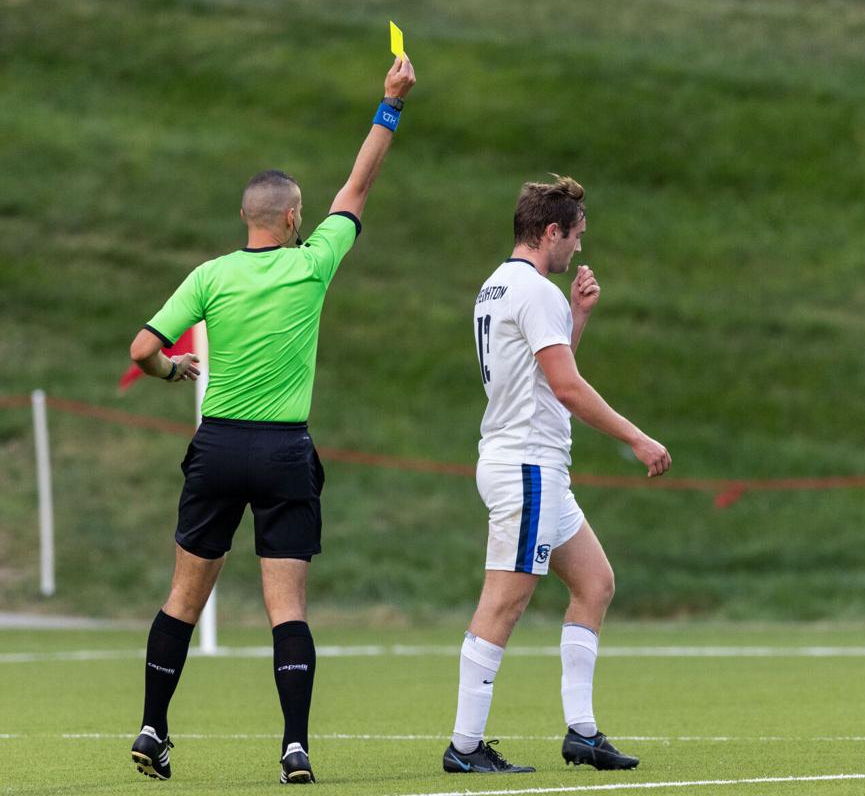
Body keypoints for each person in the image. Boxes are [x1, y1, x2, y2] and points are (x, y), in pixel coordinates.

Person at [126, 55, 415, 785]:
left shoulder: (210, 275)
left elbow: (141, 348)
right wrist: (390, 104)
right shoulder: (312, 262)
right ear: (291, 219)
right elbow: (359, 185)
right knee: (286, 605)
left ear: (246, 219)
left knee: (183, 598)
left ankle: (153, 728)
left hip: (217, 444)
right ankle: (294, 747)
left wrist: (172, 371)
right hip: (285, 450)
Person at [444, 175, 672, 774]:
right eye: (575, 236)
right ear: (552, 231)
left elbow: (544, 369)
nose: (578, 249)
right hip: (528, 467)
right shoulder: (535, 289)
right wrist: (637, 437)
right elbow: (566, 386)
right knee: (504, 603)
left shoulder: (497, 286)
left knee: (595, 582)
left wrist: (577, 314)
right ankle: (464, 746)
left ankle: (582, 733)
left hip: (527, 465)